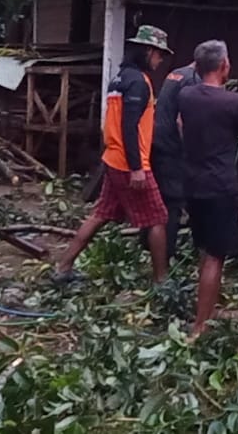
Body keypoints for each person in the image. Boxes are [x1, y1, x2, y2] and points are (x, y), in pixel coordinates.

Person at [52, 25, 175, 285]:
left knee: (101, 214)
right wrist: (137, 167)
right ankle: (162, 282)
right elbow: (129, 126)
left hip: (113, 159)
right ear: (149, 51)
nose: (160, 59)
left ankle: (63, 267)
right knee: (157, 219)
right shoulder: (139, 82)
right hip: (130, 163)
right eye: (159, 54)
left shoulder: (120, 78)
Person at [176, 39, 238, 336]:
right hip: (220, 187)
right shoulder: (234, 103)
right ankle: (200, 326)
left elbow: (180, 124)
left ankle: (206, 312)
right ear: (224, 65)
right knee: (215, 255)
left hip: (191, 185)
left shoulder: (186, 95)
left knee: (205, 251)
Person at [150, 58, 200, 259]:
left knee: (157, 198)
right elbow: (182, 120)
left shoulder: (176, 73)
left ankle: (148, 244)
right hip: (172, 147)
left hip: (157, 143)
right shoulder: (192, 80)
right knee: (172, 203)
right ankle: (166, 254)